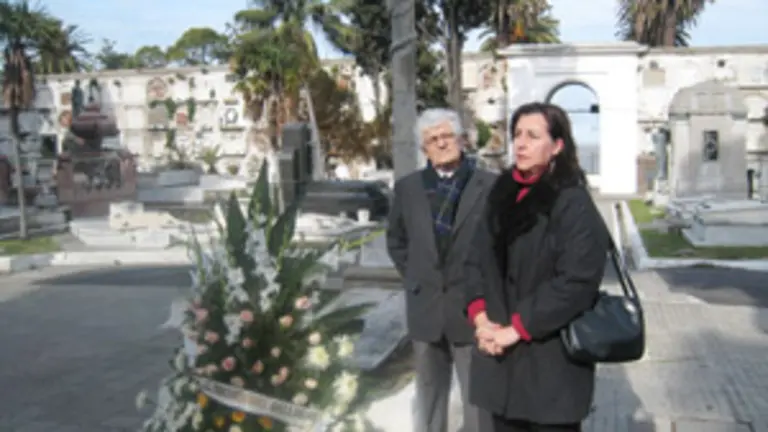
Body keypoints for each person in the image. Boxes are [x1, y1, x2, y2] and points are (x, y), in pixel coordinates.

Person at [463, 102, 609, 432]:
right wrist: (482, 320)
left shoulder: (572, 201)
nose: (522, 143)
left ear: (557, 146)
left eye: (533, 135)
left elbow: (577, 281)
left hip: (550, 368)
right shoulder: (499, 195)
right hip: (499, 362)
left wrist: (516, 328)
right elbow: (474, 260)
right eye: (517, 135)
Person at [387, 108, 497, 432]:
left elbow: (502, 244)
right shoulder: (407, 189)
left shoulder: (489, 185)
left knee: (477, 399)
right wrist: (416, 278)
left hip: (473, 310)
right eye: (433, 139)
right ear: (424, 149)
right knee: (429, 396)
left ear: (461, 139)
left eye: (446, 136)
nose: (441, 143)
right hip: (426, 308)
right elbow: (396, 240)